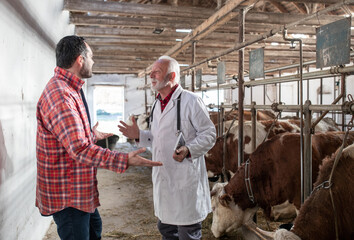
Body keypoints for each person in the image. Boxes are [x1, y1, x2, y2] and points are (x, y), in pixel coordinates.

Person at [36, 35, 162, 240]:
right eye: (91, 57)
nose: (93, 62)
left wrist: (89, 133)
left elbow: (67, 136)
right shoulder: (61, 95)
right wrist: (125, 159)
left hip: (80, 188)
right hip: (69, 194)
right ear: (80, 60)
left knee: (95, 230)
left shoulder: (70, 89)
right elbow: (79, 149)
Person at [119, 56, 216, 240]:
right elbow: (158, 139)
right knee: (166, 231)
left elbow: (210, 134)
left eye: (156, 71)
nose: (151, 75)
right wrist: (139, 135)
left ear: (171, 76)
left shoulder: (191, 101)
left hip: (185, 181)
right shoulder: (157, 103)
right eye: (151, 72)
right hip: (164, 181)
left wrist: (189, 149)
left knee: (188, 235)